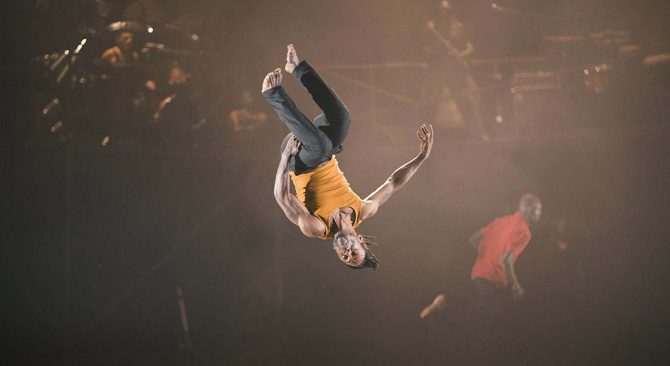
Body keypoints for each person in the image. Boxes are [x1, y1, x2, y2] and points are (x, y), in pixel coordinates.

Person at [263, 44, 434, 270]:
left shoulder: (316, 228)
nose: (346, 252)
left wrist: (285, 157)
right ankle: (297, 68)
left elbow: (282, 196)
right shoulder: (363, 210)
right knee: (342, 119)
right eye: (353, 253)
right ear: (360, 241)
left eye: (344, 257)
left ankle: (272, 93)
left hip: (299, 159)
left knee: (322, 146)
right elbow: (393, 183)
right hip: (322, 148)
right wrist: (421, 157)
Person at [420, 194, 541, 319]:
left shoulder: (501, 221)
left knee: (477, 309)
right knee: (483, 320)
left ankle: (447, 299)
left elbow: (473, 239)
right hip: (494, 278)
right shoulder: (524, 232)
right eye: (538, 209)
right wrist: (516, 286)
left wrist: (486, 257)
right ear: (529, 210)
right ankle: (447, 301)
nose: (540, 213)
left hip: (479, 272)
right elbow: (506, 260)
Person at [424, 0, 488, 140]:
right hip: (438, 70)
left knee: (465, 102)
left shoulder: (458, 27)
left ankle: (478, 134)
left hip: (456, 72)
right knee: (431, 104)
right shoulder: (432, 28)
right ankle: (421, 139)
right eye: (441, 10)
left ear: (450, 11)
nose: (444, 13)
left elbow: (469, 47)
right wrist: (436, 49)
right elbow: (424, 49)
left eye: (446, 10)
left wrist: (460, 55)